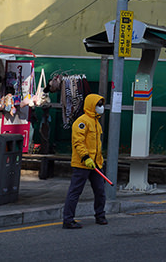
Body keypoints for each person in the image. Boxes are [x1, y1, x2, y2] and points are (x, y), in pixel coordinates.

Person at [62, 93, 107, 229]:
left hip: (96, 163)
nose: (101, 107)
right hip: (83, 164)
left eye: (101, 104)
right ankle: (68, 220)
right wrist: (86, 158)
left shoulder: (96, 123)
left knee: (100, 191)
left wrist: (98, 161)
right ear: (91, 105)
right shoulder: (82, 122)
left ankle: (100, 215)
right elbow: (78, 142)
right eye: (98, 104)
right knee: (75, 192)